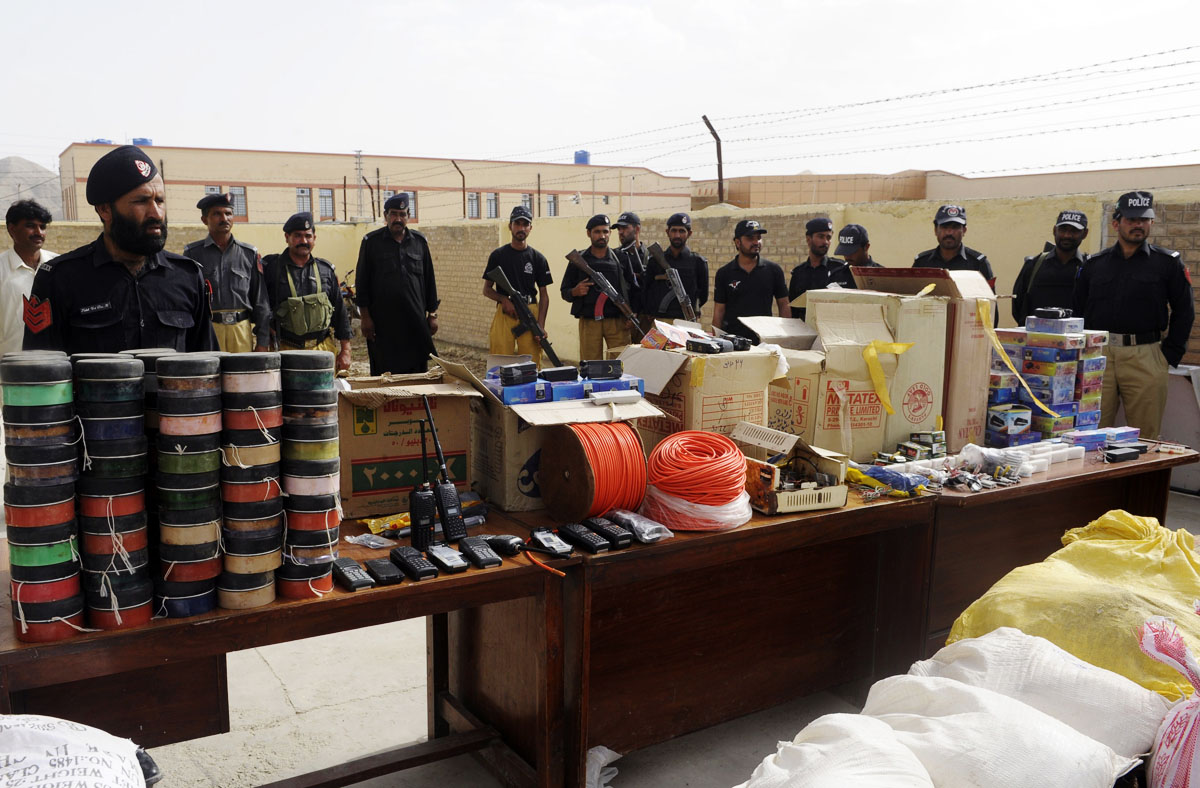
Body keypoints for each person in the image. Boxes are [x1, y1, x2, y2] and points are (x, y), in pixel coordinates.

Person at [23, 145, 216, 354]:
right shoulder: (59, 279)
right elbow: (41, 375)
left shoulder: (187, 276)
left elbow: (207, 368)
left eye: (160, 200)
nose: (156, 213)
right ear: (105, 209)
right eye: (142, 201)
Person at [1074, 191, 1194, 440]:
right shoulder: (1095, 264)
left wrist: (1168, 355)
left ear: (1151, 222)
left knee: (1145, 436)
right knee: (1090, 431)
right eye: (1131, 219)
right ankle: (1100, 480)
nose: (1138, 224)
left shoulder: (1167, 263)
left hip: (1146, 355)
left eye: (1144, 219)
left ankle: (1139, 480)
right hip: (1099, 355)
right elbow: (1078, 309)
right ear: (1117, 223)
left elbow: (1184, 311)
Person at [355, 193, 438, 374]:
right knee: (384, 377)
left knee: (418, 377)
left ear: (408, 215)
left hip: (414, 324)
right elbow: (362, 283)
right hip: (384, 326)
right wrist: (365, 318)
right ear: (385, 216)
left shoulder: (420, 242)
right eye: (393, 214)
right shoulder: (371, 243)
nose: (398, 219)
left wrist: (432, 314)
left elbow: (429, 280)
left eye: (402, 214)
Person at [263, 212, 351, 371]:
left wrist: (346, 350)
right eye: (297, 236)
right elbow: (261, 308)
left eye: (308, 236)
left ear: (314, 239)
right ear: (287, 237)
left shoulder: (326, 270)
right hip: (286, 350)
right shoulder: (272, 269)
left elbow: (340, 312)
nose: (303, 241)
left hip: (322, 349)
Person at [183, 193, 270, 352]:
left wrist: (263, 342)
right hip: (208, 332)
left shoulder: (248, 254)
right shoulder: (192, 254)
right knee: (210, 376)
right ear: (205, 220)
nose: (224, 218)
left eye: (228, 213)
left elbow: (261, 302)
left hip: (241, 332)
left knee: (241, 375)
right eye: (217, 214)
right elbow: (187, 301)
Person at [482, 205, 552, 364]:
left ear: (530, 228)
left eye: (525, 224)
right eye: (517, 224)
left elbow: (544, 296)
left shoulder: (538, 258)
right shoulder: (498, 255)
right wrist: (504, 300)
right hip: (505, 313)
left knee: (531, 364)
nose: (521, 228)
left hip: (530, 311)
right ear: (510, 226)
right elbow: (486, 290)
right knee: (499, 361)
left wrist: (540, 325)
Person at [560, 214, 636, 360]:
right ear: (589, 233)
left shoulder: (621, 258)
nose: (602, 235)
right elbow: (565, 291)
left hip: (617, 321)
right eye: (597, 232)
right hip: (589, 321)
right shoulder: (578, 260)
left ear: (610, 233)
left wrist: (632, 314)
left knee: (620, 363)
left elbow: (633, 289)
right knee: (590, 365)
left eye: (605, 231)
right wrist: (575, 292)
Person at [712, 219, 790, 341]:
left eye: (758, 238)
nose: (756, 242)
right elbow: (719, 310)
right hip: (733, 341)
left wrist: (785, 337)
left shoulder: (773, 270)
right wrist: (716, 340)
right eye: (750, 238)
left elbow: (784, 304)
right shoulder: (724, 273)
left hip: (764, 340)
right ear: (737, 242)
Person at [1011, 210, 1088, 324]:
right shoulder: (1033, 265)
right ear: (1054, 230)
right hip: (1035, 338)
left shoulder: (1089, 268)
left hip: (1074, 339)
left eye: (1074, 231)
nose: (1067, 235)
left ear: (1085, 234)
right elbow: (1018, 305)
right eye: (1063, 230)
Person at [2, 200, 57, 354]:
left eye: (43, 227)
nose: (39, 233)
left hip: (55, 364)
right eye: (31, 226)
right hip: (9, 366)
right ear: (12, 229)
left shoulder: (59, 266)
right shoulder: (1, 268)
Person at [641, 212, 708, 324]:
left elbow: (703, 295)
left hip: (686, 320)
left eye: (682, 231)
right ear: (668, 232)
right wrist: (650, 311)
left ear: (689, 233)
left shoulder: (698, 262)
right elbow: (647, 288)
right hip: (660, 320)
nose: (677, 235)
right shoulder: (655, 261)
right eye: (674, 231)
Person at [913, 204, 995, 290]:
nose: (949, 232)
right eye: (944, 227)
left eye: (955, 227)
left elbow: (991, 301)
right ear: (936, 230)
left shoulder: (978, 264)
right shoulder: (922, 263)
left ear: (964, 230)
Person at [789, 217, 854, 321]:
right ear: (808, 239)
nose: (825, 242)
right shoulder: (798, 273)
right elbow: (793, 310)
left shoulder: (840, 269)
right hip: (805, 332)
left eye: (828, 237)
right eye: (821, 237)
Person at [612, 212, 649, 341]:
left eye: (625, 228)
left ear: (637, 229)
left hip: (645, 316)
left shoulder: (650, 257)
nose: (621, 232)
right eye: (619, 229)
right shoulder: (614, 257)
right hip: (622, 316)